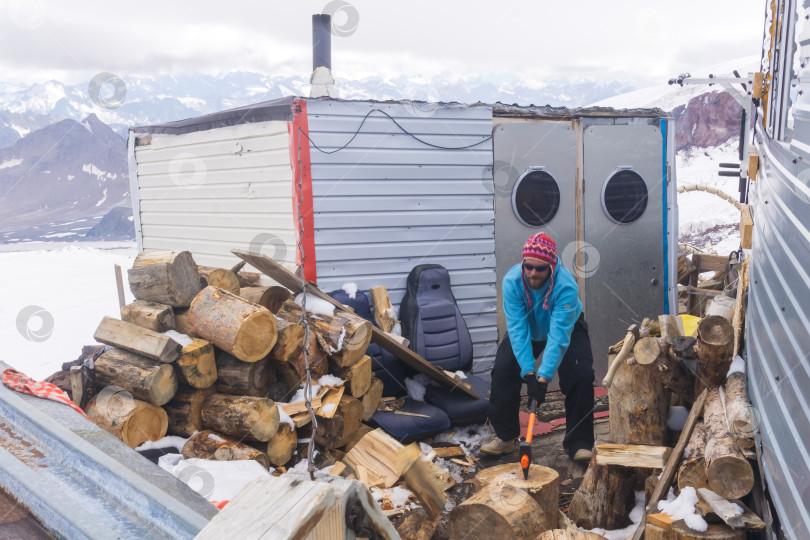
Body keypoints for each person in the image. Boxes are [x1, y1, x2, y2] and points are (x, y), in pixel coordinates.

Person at [481, 232, 595, 460]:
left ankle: (579, 443)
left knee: (580, 375)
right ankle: (505, 437)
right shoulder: (512, 282)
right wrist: (528, 372)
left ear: (551, 266)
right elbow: (517, 330)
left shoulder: (566, 288)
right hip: (529, 328)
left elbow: (558, 338)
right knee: (504, 370)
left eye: (540, 268)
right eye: (528, 266)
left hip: (567, 327)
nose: (533, 273)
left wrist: (542, 380)